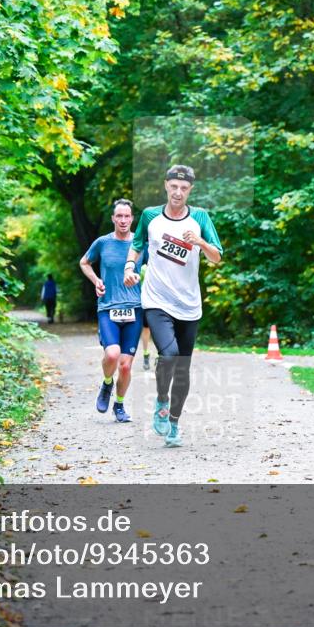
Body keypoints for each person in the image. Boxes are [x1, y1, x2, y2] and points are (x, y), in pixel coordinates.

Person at [123, 165, 222, 447]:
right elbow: (138, 244)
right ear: (166, 185)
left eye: (184, 188)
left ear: (190, 189)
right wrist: (130, 266)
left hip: (189, 304)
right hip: (156, 299)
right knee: (169, 354)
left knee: (182, 367)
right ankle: (161, 400)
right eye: (174, 187)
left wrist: (200, 241)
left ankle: (174, 424)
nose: (178, 192)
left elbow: (216, 257)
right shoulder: (150, 216)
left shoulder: (200, 217)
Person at [79, 199, 144, 423]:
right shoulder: (103, 243)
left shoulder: (140, 243)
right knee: (112, 355)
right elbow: (84, 262)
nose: (123, 220)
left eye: (127, 216)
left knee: (125, 366)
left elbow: (153, 268)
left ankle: (119, 405)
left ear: (132, 218)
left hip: (135, 309)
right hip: (108, 307)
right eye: (119, 216)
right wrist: (96, 280)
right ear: (113, 218)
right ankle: (107, 383)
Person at [139, 260, 154, 371]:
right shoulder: (143, 268)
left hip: (158, 302)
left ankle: (156, 355)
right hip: (147, 302)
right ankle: (146, 354)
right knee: (147, 329)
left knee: (150, 330)